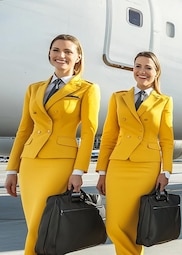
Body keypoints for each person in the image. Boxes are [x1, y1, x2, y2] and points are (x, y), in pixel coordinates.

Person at [3, 34, 100, 255]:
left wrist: (78, 170)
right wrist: (12, 169)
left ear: (78, 58)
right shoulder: (34, 89)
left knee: (42, 225)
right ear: (49, 53)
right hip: (30, 163)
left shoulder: (87, 89)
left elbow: (88, 133)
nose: (61, 55)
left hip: (60, 163)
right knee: (34, 225)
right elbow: (24, 130)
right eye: (56, 50)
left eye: (68, 52)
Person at [95, 51, 174, 255]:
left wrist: (166, 172)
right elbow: (109, 137)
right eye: (138, 66)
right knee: (114, 225)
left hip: (147, 167)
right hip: (118, 166)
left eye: (148, 67)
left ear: (156, 73)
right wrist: (102, 171)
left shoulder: (164, 101)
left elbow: (166, 139)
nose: (142, 71)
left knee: (135, 224)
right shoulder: (118, 97)